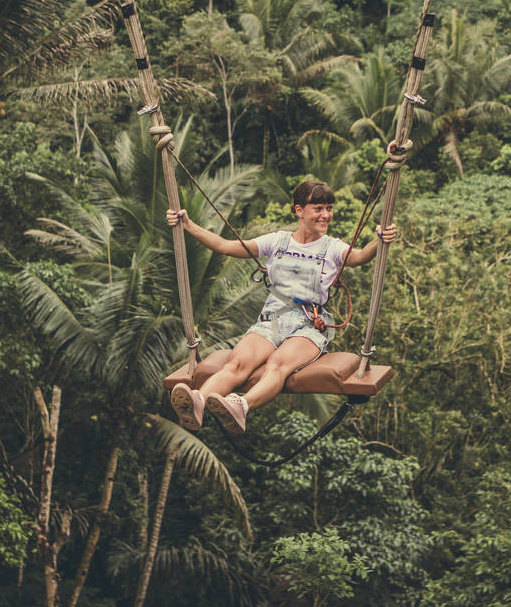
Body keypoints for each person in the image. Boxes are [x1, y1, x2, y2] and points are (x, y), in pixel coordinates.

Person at [167, 179, 396, 434]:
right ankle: (198, 401)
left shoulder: (333, 247)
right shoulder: (278, 241)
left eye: (329, 209)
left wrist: (380, 240)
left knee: (278, 364)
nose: (326, 215)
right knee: (236, 363)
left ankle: (241, 406)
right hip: (272, 319)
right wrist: (188, 225)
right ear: (300, 210)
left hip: (308, 325)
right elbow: (226, 246)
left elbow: (361, 256)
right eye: (318, 208)